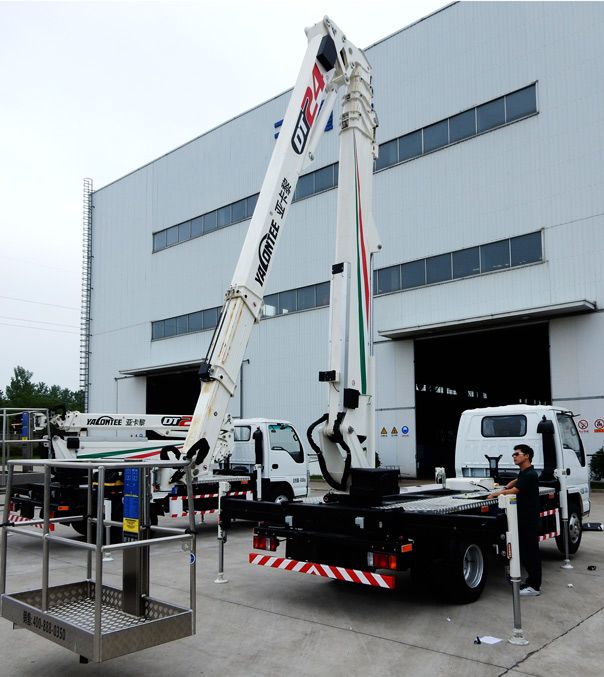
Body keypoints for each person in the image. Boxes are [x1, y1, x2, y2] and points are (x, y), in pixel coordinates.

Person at [488, 444, 542, 596]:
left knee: (531, 554)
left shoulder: (530, 475)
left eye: (517, 454)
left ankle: (534, 587)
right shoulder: (525, 473)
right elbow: (516, 481)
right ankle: (530, 583)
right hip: (523, 520)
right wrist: (506, 486)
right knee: (525, 552)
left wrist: (496, 494)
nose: (514, 456)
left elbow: (515, 490)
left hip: (529, 521)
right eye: (513, 454)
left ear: (527, 456)